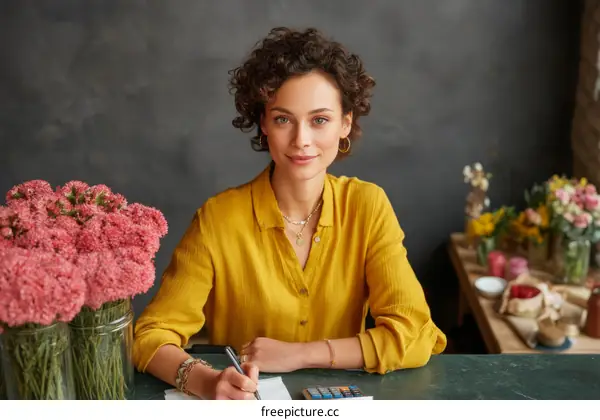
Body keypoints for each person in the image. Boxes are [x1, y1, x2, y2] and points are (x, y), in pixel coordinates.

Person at [133, 26, 447, 400]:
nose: (301, 140)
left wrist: (300, 354)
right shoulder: (218, 219)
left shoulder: (368, 206)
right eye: (283, 119)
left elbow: (415, 335)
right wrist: (206, 380)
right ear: (264, 124)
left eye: (320, 120)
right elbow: (150, 336)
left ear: (345, 123)